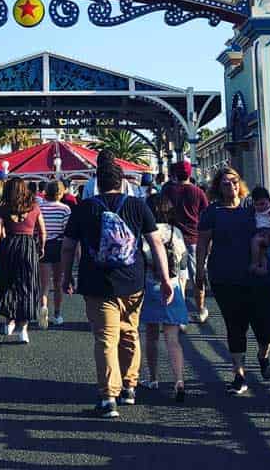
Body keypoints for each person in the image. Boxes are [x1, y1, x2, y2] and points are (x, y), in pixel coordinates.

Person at [61, 161, 173, 419]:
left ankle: (108, 396)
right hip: (133, 281)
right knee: (130, 332)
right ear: (122, 182)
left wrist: (67, 276)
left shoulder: (85, 208)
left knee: (105, 338)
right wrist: (165, 278)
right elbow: (155, 243)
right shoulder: (137, 206)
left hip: (97, 282)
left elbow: (68, 247)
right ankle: (130, 387)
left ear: (97, 183)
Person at [195, 166, 270, 396]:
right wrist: (199, 272)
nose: (230, 185)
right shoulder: (212, 212)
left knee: (266, 327)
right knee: (235, 325)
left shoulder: (253, 209)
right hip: (225, 277)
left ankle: (263, 355)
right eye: (225, 183)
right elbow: (202, 244)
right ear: (218, 187)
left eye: (234, 181)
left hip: (259, 277)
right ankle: (238, 375)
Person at [139, 194, 189, 402]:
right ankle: (179, 380)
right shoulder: (175, 232)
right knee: (173, 339)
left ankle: (153, 377)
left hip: (151, 285)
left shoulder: (145, 233)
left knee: (151, 336)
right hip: (174, 286)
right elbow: (183, 264)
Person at [0, 177, 44, 344]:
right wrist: (41, 247)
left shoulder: (4, 209)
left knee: (8, 283)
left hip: (10, 246)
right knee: (28, 286)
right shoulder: (34, 206)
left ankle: (9, 321)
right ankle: (24, 329)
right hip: (28, 246)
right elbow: (42, 230)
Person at [162, 160, 210, 322]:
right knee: (198, 276)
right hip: (194, 239)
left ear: (175, 174)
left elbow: (162, 212)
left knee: (179, 278)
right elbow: (206, 217)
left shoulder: (168, 191)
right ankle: (201, 309)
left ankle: (180, 313)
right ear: (190, 174)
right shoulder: (198, 192)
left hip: (173, 239)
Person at [38, 180, 71, 328]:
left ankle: (43, 307)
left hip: (43, 245)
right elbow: (67, 232)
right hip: (59, 246)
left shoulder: (40, 208)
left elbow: (36, 229)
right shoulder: (65, 209)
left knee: (44, 284)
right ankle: (57, 314)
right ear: (61, 192)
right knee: (58, 283)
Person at [249, 186, 270, 276]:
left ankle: (254, 262)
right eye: (257, 204)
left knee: (255, 241)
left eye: (262, 204)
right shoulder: (255, 210)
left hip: (267, 232)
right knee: (262, 251)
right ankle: (263, 268)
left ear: (269, 201)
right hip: (259, 231)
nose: (260, 207)